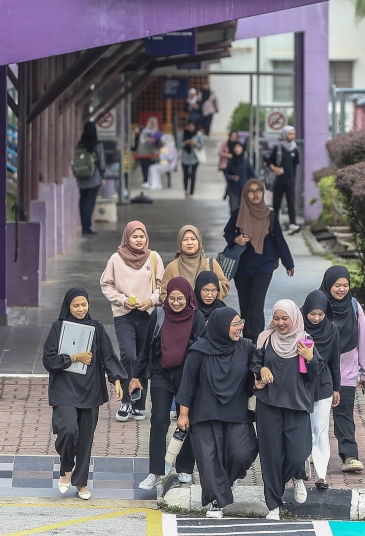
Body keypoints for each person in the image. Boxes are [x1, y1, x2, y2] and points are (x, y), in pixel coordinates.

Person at [42, 287, 126, 500]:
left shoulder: (96, 327)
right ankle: (66, 469)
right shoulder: (58, 327)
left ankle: (80, 483)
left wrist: (116, 379)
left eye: (84, 304)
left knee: (86, 438)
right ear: (68, 306)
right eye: (76, 305)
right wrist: (73, 358)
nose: (80, 309)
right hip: (64, 389)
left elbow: (108, 354)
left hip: (90, 389)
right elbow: (48, 360)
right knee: (68, 429)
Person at [176, 307, 258, 518]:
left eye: (241, 323)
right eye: (234, 324)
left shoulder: (247, 348)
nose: (239, 328)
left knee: (242, 453)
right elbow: (187, 384)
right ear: (221, 326)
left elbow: (253, 378)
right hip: (205, 412)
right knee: (209, 460)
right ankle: (216, 502)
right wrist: (183, 414)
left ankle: (226, 482)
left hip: (237, 411)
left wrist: (259, 382)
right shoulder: (198, 351)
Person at [131, 277, 206, 490]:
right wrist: (137, 376)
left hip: (186, 377)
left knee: (185, 422)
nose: (175, 303)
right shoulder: (159, 314)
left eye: (180, 298)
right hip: (161, 373)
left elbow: (200, 350)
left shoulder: (197, 318)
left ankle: (184, 469)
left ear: (188, 297)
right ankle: (156, 471)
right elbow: (146, 347)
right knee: (159, 421)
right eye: (172, 298)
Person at [251, 300, 319, 520]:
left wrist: (310, 359)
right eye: (277, 318)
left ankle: (298, 475)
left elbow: (315, 374)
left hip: (297, 405)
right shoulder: (265, 338)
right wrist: (261, 369)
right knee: (271, 455)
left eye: (285, 318)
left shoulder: (305, 341)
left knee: (298, 451)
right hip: (268, 405)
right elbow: (253, 363)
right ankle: (273, 504)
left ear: (294, 318)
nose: (280, 323)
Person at [100, 221, 164, 422]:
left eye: (142, 236)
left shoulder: (153, 258)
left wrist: (151, 300)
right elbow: (106, 284)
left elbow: (163, 286)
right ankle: (126, 401)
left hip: (148, 314)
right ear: (126, 238)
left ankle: (138, 404)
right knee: (128, 355)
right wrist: (123, 300)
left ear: (147, 238)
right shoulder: (116, 259)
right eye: (134, 236)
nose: (138, 240)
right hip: (124, 315)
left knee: (144, 358)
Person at [224, 179, 295, 341]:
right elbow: (227, 233)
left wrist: (288, 263)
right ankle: (247, 342)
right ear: (245, 194)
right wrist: (236, 239)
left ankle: (257, 343)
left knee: (256, 306)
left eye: (258, 190)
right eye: (251, 191)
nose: (255, 194)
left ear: (263, 193)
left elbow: (279, 240)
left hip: (264, 265)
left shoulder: (270, 215)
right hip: (242, 268)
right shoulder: (238, 214)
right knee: (245, 306)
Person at [319, 265, 365, 473]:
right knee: (316, 415)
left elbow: (363, 338)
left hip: (347, 371)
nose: (341, 289)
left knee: (344, 415)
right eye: (336, 285)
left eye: (345, 285)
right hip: (320, 370)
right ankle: (314, 451)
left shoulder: (354, 306)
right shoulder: (318, 304)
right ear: (328, 285)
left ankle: (350, 456)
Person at [300, 290, 341, 490]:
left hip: (324, 384)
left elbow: (335, 361)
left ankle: (321, 475)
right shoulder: (297, 329)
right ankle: (301, 468)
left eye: (321, 314)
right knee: (301, 429)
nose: (316, 318)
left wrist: (337, 388)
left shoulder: (332, 330)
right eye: (312, 313)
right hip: (301, 384)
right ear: (305, 311)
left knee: (321, 430)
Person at [161, 225, 230, 301]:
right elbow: (164, 294)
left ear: (199, 241)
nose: (189, 243)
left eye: (193, 239)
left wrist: (210, 288)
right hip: (182, 312)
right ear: (180, 242)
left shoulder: (211, 263)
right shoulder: (172, 267)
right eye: (185, 239)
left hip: (209, 312)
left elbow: (225, 287)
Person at [265, 125, 301, 233]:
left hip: (290, 180)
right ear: (285, 135)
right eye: (290, 134)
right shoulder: (278, 148)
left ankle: (293, 224)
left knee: (291, 202)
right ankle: (274, 224)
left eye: (293, 134)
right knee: (277, 203)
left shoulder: (295, 149)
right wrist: (274, 168)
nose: (292, 136)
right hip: (279, 180)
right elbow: (267, 160)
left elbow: (294, 166)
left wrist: (294, 178)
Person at [74, 121, 107, 235]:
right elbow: (101, 162)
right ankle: (87, 227)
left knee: (82, 201)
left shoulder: (79, 144)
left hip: (82, 176)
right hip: (94, 176)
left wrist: (77, 178)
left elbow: (77, 161)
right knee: (90, 202)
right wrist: (103, 176)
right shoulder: (97, 144)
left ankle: (84, 225)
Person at [224, 142, 256, 212]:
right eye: (235, 147)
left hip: (245, 189)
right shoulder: (231, 161)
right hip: (233, 189)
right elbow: (226, 173)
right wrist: (231, 177)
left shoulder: (246, 161)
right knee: (233, 209)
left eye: (239, 147)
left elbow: (253, 174)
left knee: (244, 210)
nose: (237, 149)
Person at [179, 121, 205, 198]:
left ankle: (192, 192)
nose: (191, 128)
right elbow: (178, 144)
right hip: (185, 157)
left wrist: (195, 144)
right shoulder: (182, 134)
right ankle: (186, 190)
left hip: (195, 158)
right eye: (189, 126)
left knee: (193, 175)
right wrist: (185, 143)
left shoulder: (198, 135)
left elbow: (201, 145)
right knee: (186, 175)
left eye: (192, 126)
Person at [135, 117, 160, 183]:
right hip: (142, 153)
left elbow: (159, 143)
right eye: (150, 122)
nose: (151, 124)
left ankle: (150, 180)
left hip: (151, 153)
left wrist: (155, 141)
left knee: (150, 166)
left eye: (153, 123)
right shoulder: (143, 131)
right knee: (144, 167)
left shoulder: (157, 132)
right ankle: (145, 180)